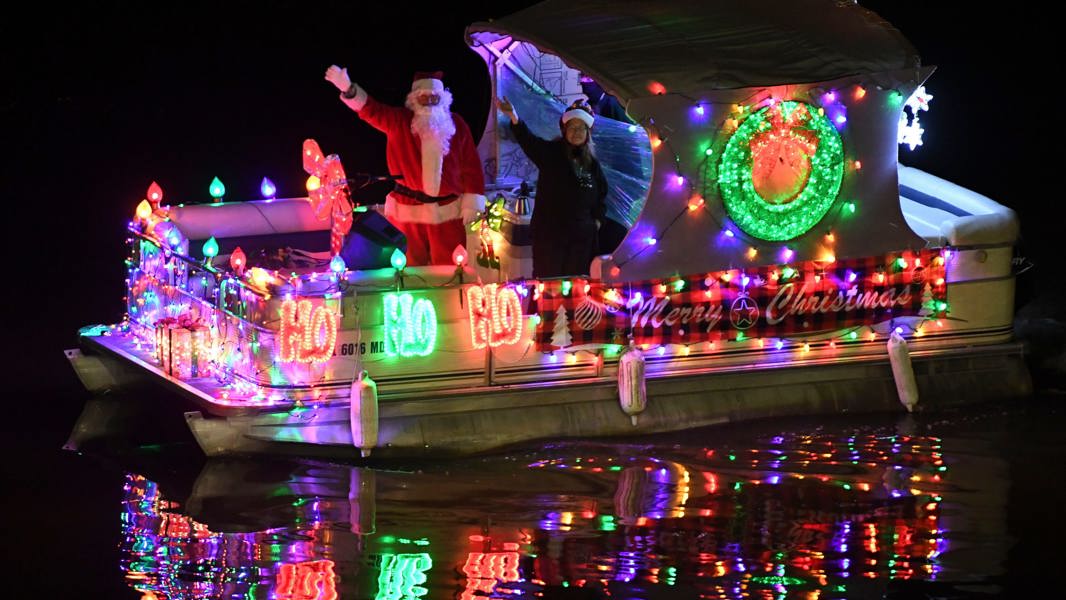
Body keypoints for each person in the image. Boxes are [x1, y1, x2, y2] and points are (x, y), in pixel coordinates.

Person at [324, 65, 485, 266]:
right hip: (408, 209)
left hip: (448, 211)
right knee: (408, 266)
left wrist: (473, 200)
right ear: (414, 99)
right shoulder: (399, 121)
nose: (429, 102)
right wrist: (348, 89)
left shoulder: (456, 124)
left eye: (434, 97)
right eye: (423, 97)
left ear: (443, 99)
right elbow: (372, 111)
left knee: (451, 266)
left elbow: (471, 166)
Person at [497, 97, 608, 278]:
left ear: (588, 133)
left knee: (577, 290)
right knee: (550, 290)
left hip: (581, 242)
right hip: (550, 240)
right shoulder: (551, 153)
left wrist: (597, 222)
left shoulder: (592, 164)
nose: (577, 132)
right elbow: (529, 141)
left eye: (581, 128)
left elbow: (601, 196)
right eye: (572, 127)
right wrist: (514, 117)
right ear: (564, 130)